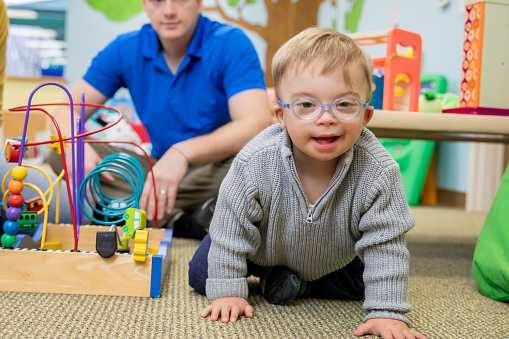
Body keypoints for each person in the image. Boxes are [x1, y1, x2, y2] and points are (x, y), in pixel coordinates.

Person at [188, 27, 427, 339]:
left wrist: (388, 313)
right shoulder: (255, 161)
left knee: (369, 281)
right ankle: (214, 219)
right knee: (205, 273)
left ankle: (300, 283)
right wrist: (229, 292)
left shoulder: (379, 171)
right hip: (260, 249)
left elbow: (387, 244)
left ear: (366, 115)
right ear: (280, 116)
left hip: (333, 259)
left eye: (344, 104)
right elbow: (232, 234)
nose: (326, 118)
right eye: (306, 105)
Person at [48, 0, 271, 237]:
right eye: (157, 1)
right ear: (145, 5)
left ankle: (147, 211)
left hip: (217, 167)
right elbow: (66, 109)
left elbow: (255, 123)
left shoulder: (231, 43)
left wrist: (183, 152)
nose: (169, 11)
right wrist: (74, 144)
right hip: (158, 169)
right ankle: (188, 216)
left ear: (198, 3)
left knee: (262, 166)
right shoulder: (125, 49)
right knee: (59, 153)